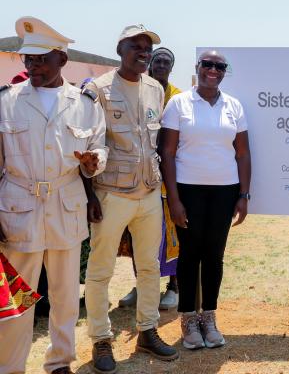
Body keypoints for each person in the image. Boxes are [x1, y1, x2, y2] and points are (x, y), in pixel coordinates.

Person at [0, 16, 107, 374]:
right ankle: (10, 366)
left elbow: (97, 148)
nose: (33, 66)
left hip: (66, 204)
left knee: (64, 297)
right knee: (17, 298)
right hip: (18, 207)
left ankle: (60, 361)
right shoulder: (6, 101)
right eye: (27, 59)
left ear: (62, 58)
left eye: (41, 58)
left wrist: (93, 163)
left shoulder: (85, 103)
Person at [84, 24, 178, 373]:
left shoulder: (155, 88)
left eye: (147, 48)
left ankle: (147, 330)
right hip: (112, 194)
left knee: (150, 266)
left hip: (149, 193)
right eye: (136, 46)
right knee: (101, 270)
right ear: (120, 49)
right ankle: (100, 341)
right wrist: (91, 179)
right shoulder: (99, 90)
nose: (143, 52)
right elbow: (93, 141)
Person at [160, 50, 251, 350]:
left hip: (225, 192)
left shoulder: (233, 106)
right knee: (189, 255)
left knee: (214, 256)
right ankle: (188, 318)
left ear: (225, 71)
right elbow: (168, 154)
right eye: (208, 65)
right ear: (198, 67)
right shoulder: (179, 104)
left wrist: (243, 195)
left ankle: (208, 316)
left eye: (219, 66)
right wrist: (173, 199)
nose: (213, 70)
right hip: (188, 191)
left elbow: (242, 153)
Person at [116, 47, 182, 310]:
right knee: (137, 234)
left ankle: (174, 287)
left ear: (171, 67)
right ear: (151, 63)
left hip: (170, 177)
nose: (162, 64)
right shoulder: (139, 90)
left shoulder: (176, 98)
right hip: (138, 176)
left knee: (172, 233)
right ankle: (142, 285)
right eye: (158, 60)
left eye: (167, 61)